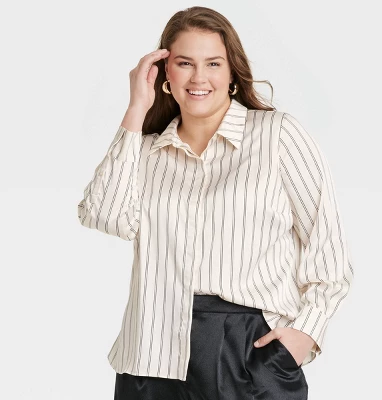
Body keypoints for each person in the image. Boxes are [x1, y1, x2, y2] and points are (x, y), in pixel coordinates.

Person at [77, 6, 354, 400]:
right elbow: (103, 216)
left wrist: (303, 335)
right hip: (150, 356)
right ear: (166, 72)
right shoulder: (146, 152)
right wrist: (137, 108)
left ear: (231, 72)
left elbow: (328, 252)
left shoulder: (277, 136)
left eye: (213, 63)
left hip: (247, 349)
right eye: (185, 63)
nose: (199, 77)